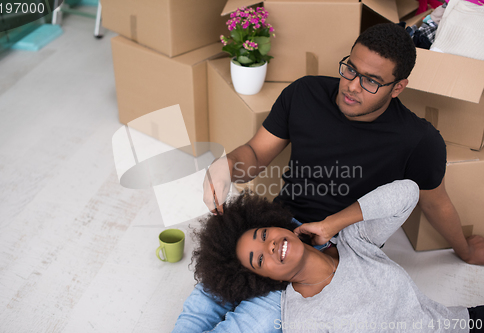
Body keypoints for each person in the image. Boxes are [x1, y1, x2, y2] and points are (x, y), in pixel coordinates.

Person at [173, 22, 484, 332]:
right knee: (204, 301)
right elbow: (255, 153)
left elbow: (434, 203)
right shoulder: (305, 93)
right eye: (350, 69)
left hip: (341, 249)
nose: (351, 85)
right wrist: (225, 165)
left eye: (371, 81)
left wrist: (465, 250)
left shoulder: (419, 140)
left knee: (256, 323)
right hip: (275, 226)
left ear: (398, 87)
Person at [195, 180, 484, 332]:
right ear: (262, 279)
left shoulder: (354, 241)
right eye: (259, 260)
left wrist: (331, 224)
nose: (269, 246)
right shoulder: (301, 319)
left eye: (263, 235)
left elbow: (407, 191)